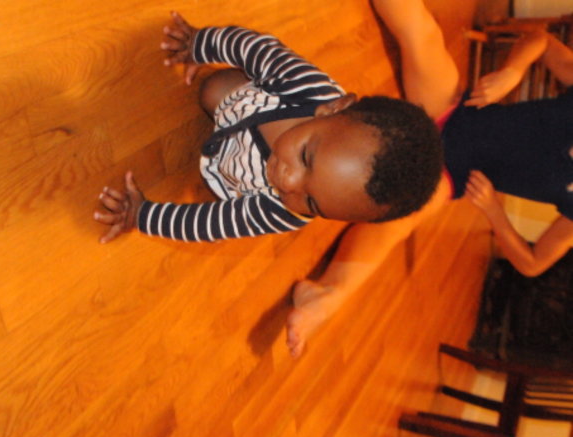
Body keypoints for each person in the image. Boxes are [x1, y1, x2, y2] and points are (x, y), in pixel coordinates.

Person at [286, 0, 573, 357]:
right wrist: (513, 71)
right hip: (455, 110)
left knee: (395, 224)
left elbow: (533, 264)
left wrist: (494, 212)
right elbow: (541, 41)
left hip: (450, 174)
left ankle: (327, 294)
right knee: (423, 35)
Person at [93, 11, 443, 243]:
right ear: (334, 108)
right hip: (245, 107)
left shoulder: (285, 212)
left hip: (232, 176)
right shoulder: (307, 87)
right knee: (211, 89)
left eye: (312, 203)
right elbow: (256, 49)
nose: (288, 182)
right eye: (306, 157)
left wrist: (142, 215)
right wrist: (200, 43)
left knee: (215, 192)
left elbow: (211, 224)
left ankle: (226, 169)